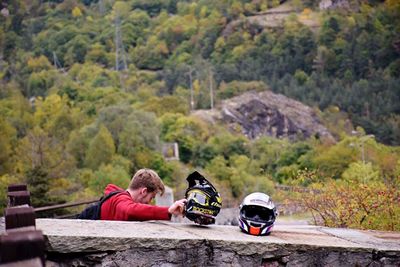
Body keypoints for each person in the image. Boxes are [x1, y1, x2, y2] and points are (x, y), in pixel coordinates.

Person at [100, 168, 186, 221]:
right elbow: (130, 211)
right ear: (144, 191)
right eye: (151, 197)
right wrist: (167, 210)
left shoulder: (115, 198)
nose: (149, 202)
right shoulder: (120, 200)